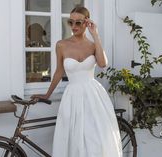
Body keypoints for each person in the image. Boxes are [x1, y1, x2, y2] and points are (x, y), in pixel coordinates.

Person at [32, 6, 122, 157]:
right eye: (70, 22)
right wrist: (47, 94)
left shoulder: (93, 45)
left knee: (97, 141)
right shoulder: (62, 45)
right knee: (73, 141)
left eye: (78, 23)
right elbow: (59, 72)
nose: (73, 27)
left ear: (87, 23)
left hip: (93, 97)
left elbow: (103, 63)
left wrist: (96, 36)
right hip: (73, 96)